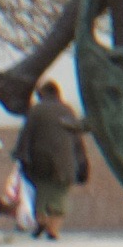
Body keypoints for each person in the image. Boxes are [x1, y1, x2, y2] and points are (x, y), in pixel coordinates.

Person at [8, 78, 89, 238]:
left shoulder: (35, 111)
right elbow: (77, 141)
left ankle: (42, 221)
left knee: (41, 194)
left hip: (39, 162)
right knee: (59, 196)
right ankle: (53, 229)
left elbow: (26, 135)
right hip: (64, 163)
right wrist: (82, 164)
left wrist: (20, 156)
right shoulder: (67, 110)